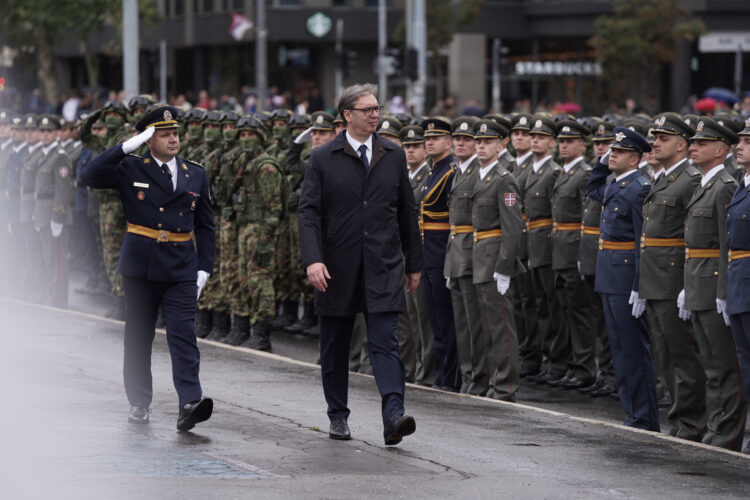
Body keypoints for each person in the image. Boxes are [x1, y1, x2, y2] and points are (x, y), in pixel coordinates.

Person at [298, 83, 422, 446]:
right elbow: (308, 214)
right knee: (334, 344)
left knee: (385, 341)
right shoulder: (323, 158)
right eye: (366, 109)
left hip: (382, 264)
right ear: (347, 115)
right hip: (336, 266)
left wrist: (414, 263)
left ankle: (394, 416)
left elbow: (406, 212)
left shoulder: (393, 155)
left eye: (377, 108)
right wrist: (313, 260)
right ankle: (338, 415)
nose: (374, 114)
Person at [81, 105, 216, 431]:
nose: (173, 139)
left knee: (183, 333)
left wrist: (204, 268)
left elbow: (206, 225)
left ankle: (189, 402)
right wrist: (128, 145)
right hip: (141, 266)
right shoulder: (131, 167)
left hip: (181, 265)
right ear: (149, 139)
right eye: (164, 134)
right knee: (138, 336)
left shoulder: (194, 172)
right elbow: (88, 175)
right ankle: (139, 402)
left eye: (175, 133)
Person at [680, 117, 746, 451]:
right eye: (693, 142)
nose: (693, 146)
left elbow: (725, 243)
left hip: (714, 284)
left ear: (721, 150)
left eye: (702, 143)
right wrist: (685, 286)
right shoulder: (706, 184)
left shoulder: (724, 186)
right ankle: (716, 425)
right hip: (697, 283)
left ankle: (728, 432)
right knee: (711, 365)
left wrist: (722, 291)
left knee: (724, 364)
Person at [587, 126, 659, 431]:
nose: (610, 155)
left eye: (617, 152)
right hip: (609, 274)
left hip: (626, 275)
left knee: (633, 350)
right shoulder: (618, 185)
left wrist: (638, 285)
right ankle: (632, 412)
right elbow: (593, 189)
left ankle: (643, 417)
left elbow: (642, 241)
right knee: (619, 348)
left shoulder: (640, 188)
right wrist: (601, 164)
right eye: (610, 151)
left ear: (635, 159)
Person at [640, 112, 704, 440]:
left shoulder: (689, 180)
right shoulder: (663, 178)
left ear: (682, 145)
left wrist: (686, 285)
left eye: (663, 138)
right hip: (653, 278)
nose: (655, 143)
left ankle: (691, 423)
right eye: (656, 137)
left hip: (672, 277)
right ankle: (679, 418)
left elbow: (692, 235)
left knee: (683, 356)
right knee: (664, 353)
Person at [470, 119, 525, 401]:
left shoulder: (504, 178)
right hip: (481, 257)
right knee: (489, 328)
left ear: (501, 145)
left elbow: (512, 228)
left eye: (488, 141)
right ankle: (495, 382)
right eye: (478, 141)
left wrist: (504, 268)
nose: (481, 145)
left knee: (502, 327)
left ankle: (506, 386)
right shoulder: (480, 175)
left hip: (494, 262)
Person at [444, 116, 486, 395]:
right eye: (457, 139)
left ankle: (479, 379)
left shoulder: (478, 173)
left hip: (473, 254)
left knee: (476, 324)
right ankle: (469, 375)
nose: (460, 143)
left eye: (467, 139)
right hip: (456, 253)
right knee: (462, 323)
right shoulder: (459, 171)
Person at [420, 116, 460, 392]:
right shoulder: (432, 170)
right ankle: (442, 374)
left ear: (449, 142)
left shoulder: (451, 171)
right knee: (435, 319)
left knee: (447, 321)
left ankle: (451, 376)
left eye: (435, 138)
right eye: (427, 138)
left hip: (442, 253)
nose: (429, 142)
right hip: (427, 254)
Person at [726, 116, 750, 454]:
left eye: (747, 142)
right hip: (738, 284)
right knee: (745, 362)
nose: (740, 146)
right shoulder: (741, 185)